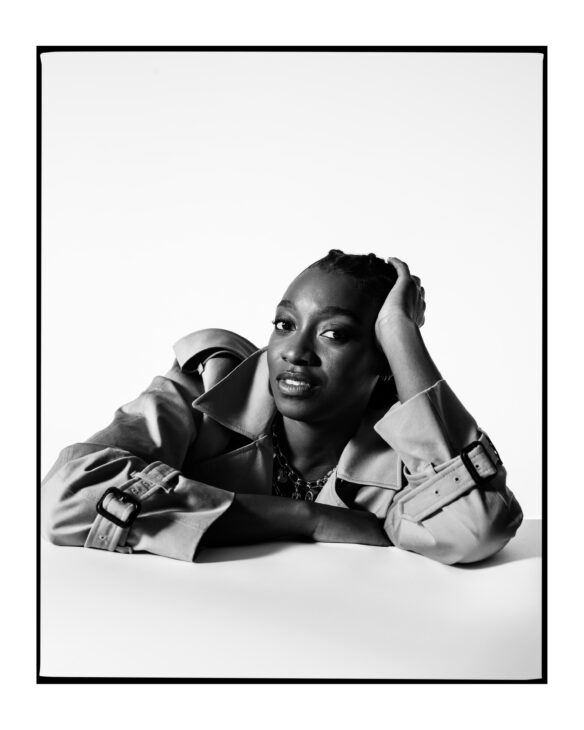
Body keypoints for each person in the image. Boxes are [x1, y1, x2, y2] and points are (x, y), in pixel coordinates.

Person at [41, 251, 523, 564]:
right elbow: (64, 499)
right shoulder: (204, 388)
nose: (295, 351)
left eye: (334, 334)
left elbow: (475, 528)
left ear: (383, 361)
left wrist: (401, 333)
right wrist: (304, 518)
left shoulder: (409, 457)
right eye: (284, 324)